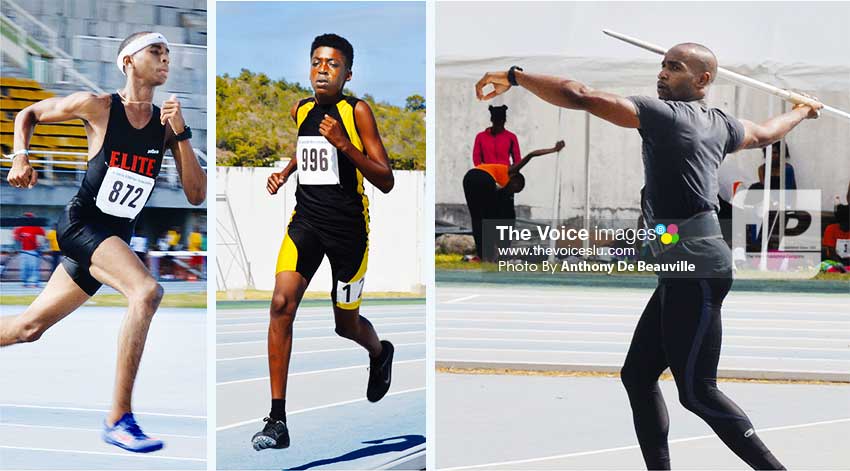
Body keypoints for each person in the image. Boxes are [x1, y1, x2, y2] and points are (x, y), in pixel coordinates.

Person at [476, 42, 822, 470]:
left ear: (702, 80)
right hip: (684, 264)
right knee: (637, 376)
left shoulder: (664, 115)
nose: (662, 74)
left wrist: (514, 76)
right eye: (662, 66)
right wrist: (803, 111)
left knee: (697, 391)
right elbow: (768, 133)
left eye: (674, 68)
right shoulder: (722, 125)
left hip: (695, 266)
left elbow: (579, 95)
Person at [1, 31, 206, 453]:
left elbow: (196, 195)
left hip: (113, 237)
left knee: (28, 328)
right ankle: (119, 418)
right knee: (146, 291)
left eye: (168, 53)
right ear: (128, 61)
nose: (166, 58)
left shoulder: (166, 125)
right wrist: (21, 156)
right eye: (156, 51)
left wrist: (182, 134)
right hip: (81, 225)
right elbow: (28, 113)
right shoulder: (97, 106)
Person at [254, 33, 395, 451]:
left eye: (332, 64)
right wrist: (286, 172)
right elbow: (307, 151)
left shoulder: (358, 112)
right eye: (316, 62)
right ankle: (277, 420)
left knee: (345, 325)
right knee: (281, 304)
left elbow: (385, 179)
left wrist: (344, 144)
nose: (322, 70)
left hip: (349, 231)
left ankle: (379, 352)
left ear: (347, 73)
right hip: (306, 222)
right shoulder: (301, 110)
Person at [463, 141, 565, 260]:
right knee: (490, 217)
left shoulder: (498, 181)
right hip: (482, 178)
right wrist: (553, 149)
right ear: (514, 179)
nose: (512, 192)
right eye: (515, 188)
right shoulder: (511, 170)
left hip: (468, 178)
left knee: (477, 218)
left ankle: (485, 255)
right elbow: (531, 155)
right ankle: (493, 252)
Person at [12, 212, 45, 288]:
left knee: (33, 268)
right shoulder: (20, 228)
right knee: (24, 268)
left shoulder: (38, 228)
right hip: (24, 251)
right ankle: (25, 282)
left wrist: (39, 248)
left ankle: (34, 282)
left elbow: (41, 240)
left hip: (34, 251)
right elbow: (16, 239)